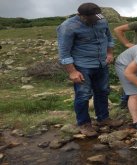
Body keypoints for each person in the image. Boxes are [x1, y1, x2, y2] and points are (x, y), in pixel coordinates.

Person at [57, 3, 115, 137]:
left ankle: (103, 119)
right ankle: (84, 123)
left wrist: (110, 54)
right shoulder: (68, 26)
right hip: (82, 66)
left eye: (98, 17)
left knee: (103, 91)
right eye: (92, 18)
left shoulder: (101, 19)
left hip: (101, 64)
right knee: (83, 95)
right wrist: (72, 72)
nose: (97, 20)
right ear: (82, 16)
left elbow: (109, 38)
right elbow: (64, 53)